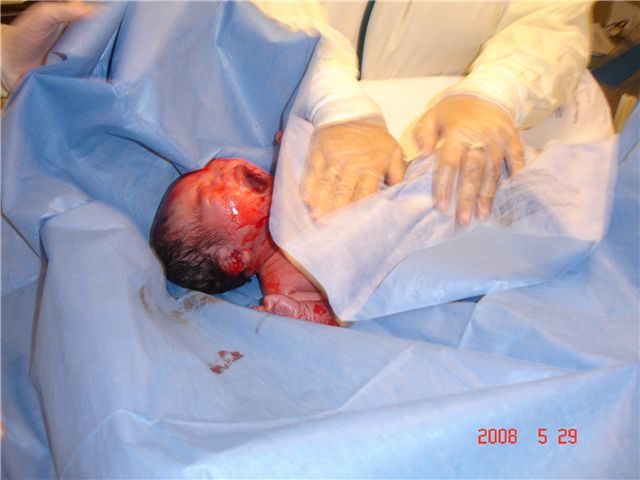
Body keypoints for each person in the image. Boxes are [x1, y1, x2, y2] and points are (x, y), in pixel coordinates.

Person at [150, 157, 340, 327]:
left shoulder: (291, 184)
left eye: (214, 167)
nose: (222, 165)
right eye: (207, 192)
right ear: (234, 259)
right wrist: (302, 312)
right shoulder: (287, 288)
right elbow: (340, 313)